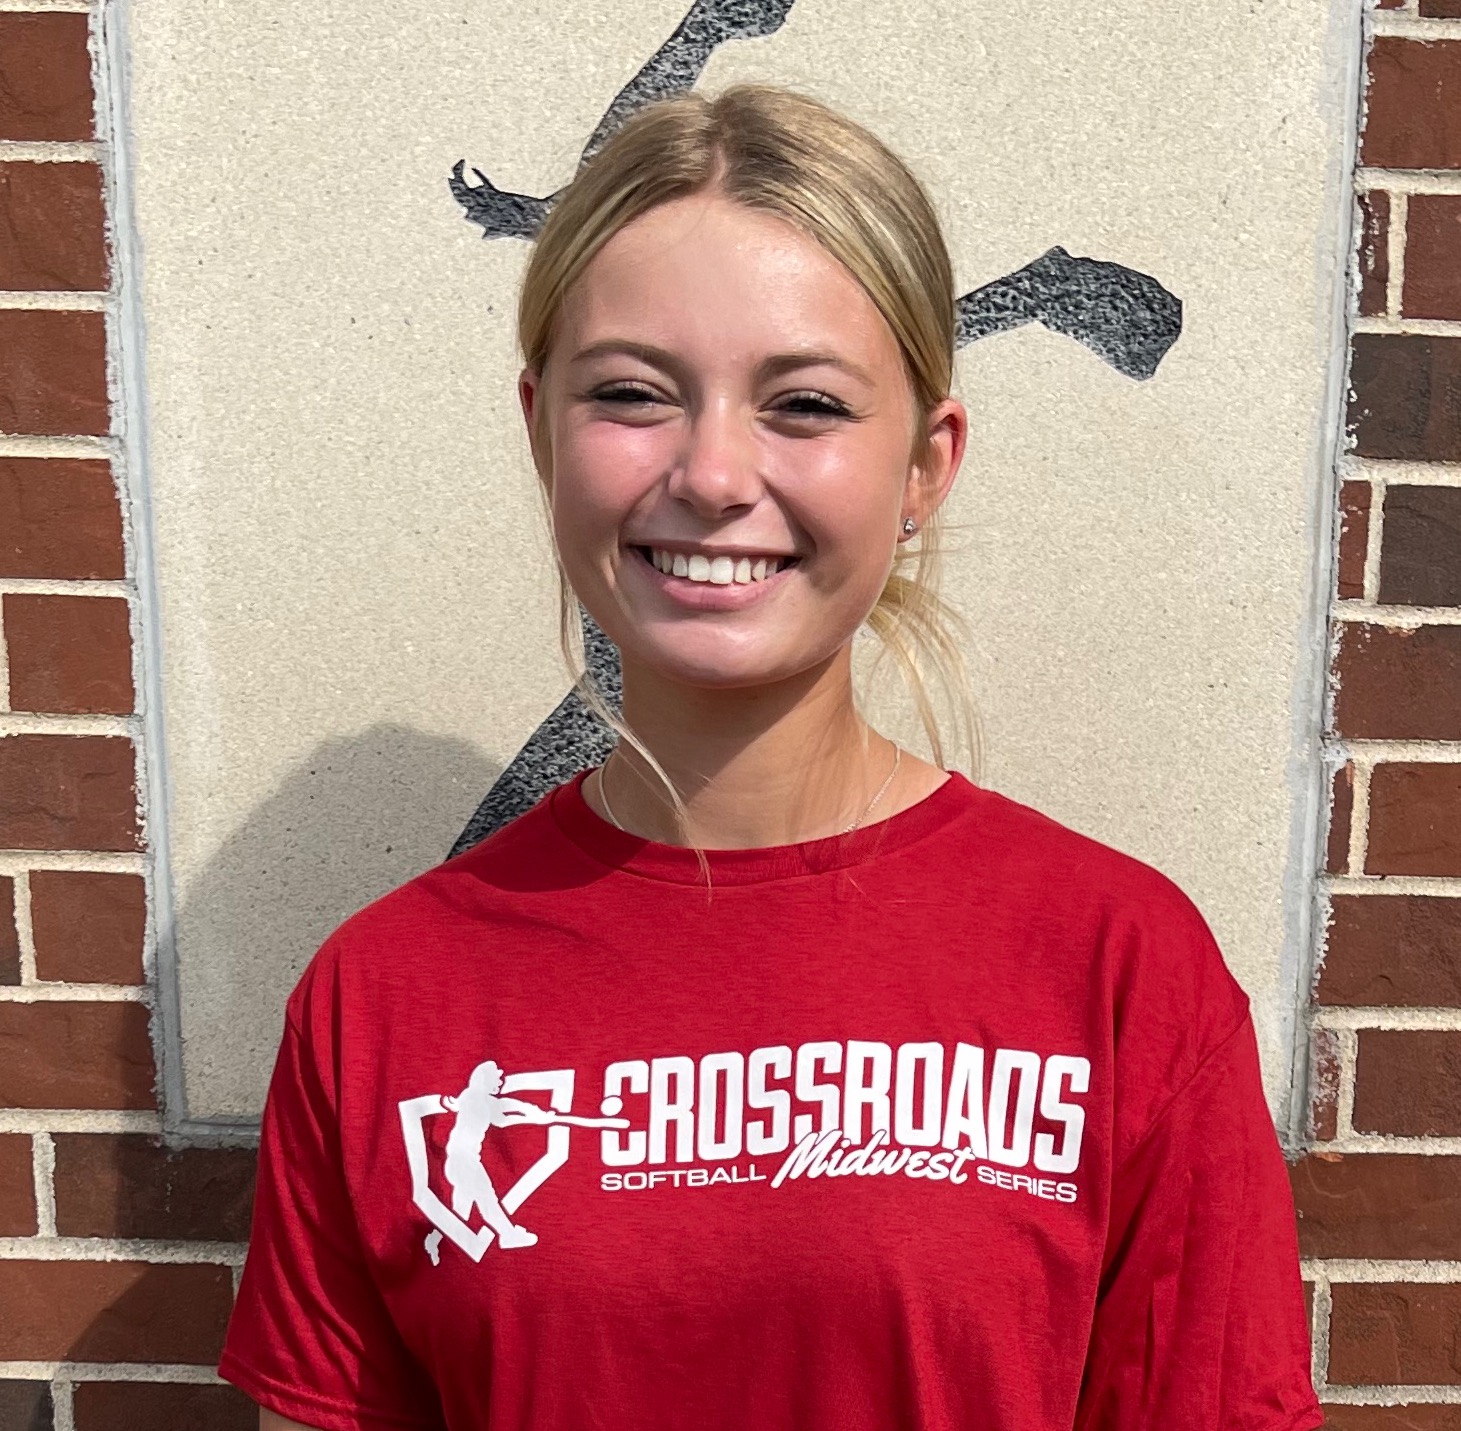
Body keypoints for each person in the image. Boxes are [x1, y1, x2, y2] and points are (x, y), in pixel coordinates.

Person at [220, 83, 1323, 1431]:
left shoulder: (1117, 971)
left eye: (803, 405)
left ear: (924, 467)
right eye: (632, 394)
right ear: (540, 431)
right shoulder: (382, 1000)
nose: (712, 474)